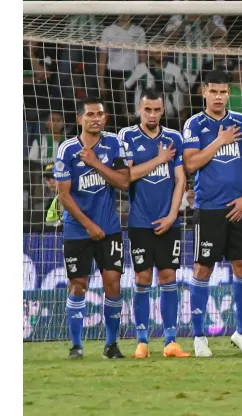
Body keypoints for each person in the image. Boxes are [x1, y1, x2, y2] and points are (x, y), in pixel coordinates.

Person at [182, 70, 242, 357]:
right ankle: (200, 337)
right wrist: (219, 140)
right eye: (213, 91)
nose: (218, 97)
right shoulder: (194, 125)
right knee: (203, 268)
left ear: (229, 94)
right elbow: (191, 164)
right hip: (209, 208)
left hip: (240, 207)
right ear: (204, 92)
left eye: (223, 92)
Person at [54, 96, 131, 359]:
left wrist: (96, 162)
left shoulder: (114, 144)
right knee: (78, 284)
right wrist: (88, 225)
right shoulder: (66, 150)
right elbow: (64, 195)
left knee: (113, 283)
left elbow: (124, 182)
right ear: (80, 119)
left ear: (105, 118)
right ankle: (76, 346)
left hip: (109, 228)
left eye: (99, 114)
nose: (95, 118)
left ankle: (111, 344)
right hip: (78, 229)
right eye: (90, 115)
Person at [120, 89, 189, 358]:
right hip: (139, 222)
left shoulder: (174, 138)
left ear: (163, 110)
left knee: (169, 276)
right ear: (139, 109)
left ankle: (171, 341)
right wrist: (158, 160)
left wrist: (173, 215)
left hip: (168, 221)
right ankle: (142, 341)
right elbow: (126, 176)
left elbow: (181, 179)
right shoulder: (127, 136)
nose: (152, 114)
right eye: (147, 109)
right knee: (142, 277)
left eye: (157, 110)